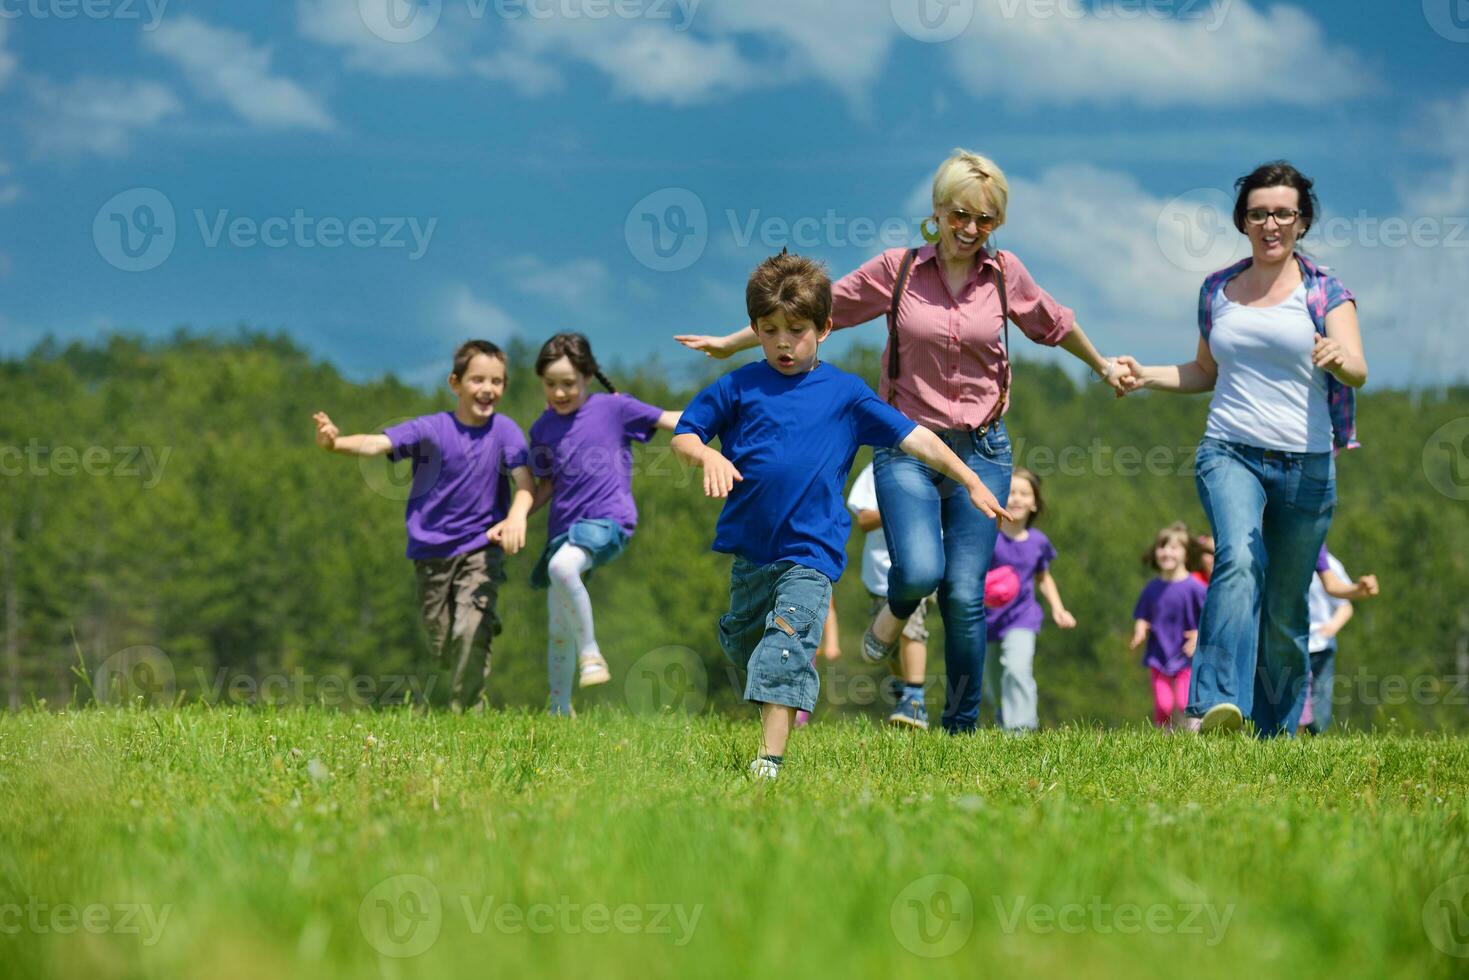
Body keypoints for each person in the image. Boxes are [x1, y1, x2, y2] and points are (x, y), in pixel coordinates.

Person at [677, 149, 1130, 733]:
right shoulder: (899, 270)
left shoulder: (1004, 275)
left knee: (966, 595)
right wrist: (732, 344)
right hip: (907, 446)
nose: (970, 230)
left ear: (998, 223)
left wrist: (1101, 366)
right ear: (937, 212)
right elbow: (813, 308)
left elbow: (1053, 322)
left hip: (983, 449)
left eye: (985, 220)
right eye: (959, 214)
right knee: (918, 572)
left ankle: (960, 727)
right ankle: (894, 612)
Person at [670, 251, 1011, 779]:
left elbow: (917, 436)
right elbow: (685, 434)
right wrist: (708, 454)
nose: (783, 342)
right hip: (751, 555)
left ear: (825, 328)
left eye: (796, 330)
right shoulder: (738, 387)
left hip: (810, 555)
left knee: (783, 647)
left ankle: (769, 762)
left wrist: (969, 479)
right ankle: (759, 668)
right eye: (769, 330)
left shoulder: (846, 394)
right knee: (746, 644)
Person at [1118, 160, 1368, 736]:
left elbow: (1358, 368)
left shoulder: (1326, 292)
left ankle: (1275, 733)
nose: (1271, 223)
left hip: (1306, 465)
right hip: (1230, 452)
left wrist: (1337, 357)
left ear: (1301, 220)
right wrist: (1144, 375)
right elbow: (1204, 370)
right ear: (1243, 222)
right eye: (1259, 213)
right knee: (1237, 558)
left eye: (1283, 212)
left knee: (1284, 607)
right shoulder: (1217, 290)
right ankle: (1211, 708)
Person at [312, 340, 533, 711]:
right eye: (477, 379)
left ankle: (466, 709)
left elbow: (526, 482)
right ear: (455, 383)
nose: (487, 389)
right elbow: (376, 444)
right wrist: (333, 444)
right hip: (431, 554)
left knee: (469, 630)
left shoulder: (506, 431)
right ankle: (475, 630)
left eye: (496, 381)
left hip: (481, 547)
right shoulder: (432, 429)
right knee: (443, 642)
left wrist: (516, 516)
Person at [528, 333, 681, 717]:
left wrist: (726, 420)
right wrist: (515, 516)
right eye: (551, 384)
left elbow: (669, 420)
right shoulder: (542, 429)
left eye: (569, 383)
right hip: (563, 530)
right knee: (558, 622)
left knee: (561, 568)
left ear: (588, 377)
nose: (560, 392)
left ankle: (591, 654)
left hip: (609, 521)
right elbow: (544, 485)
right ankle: (559, 708)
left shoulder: (613, 409)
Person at [984, 467, 1076, 731]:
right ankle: (1005, 717)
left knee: (1017, 668)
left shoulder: (1038, 542)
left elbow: (1044, 578)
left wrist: (1058, 609)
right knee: (994, 681)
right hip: (988, 620)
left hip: (1023, 617)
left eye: (1025, 493)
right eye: (1011, 492)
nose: (1017, 499)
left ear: (1034, 503)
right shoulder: (990, 536)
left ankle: (1022, 728)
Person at [847, 460, 936, 729]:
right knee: (888, 644)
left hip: (920, 566)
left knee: (911, 627)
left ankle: (914, 697)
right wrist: (900, 505)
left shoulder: (934, 467)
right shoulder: (875, 469)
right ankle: (903, 691)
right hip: (880, 573)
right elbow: (864, 519)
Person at [1130, 523, 1208, 730]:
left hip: (1187, 657)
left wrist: (1199, 636)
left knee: (1184, 702)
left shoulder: (1196, 588)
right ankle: (1163, 741)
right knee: (1163, 705)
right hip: (1159, 654)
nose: (1166, 552)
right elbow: (1142, 615)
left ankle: (1193, 736)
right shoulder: (1152, 589)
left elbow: (1209, 619)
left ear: (1186, 553)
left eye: (1174, 548)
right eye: (1162, 547)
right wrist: (1139, 630)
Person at [1300, 545, 1380, 733]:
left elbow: (1345, 606)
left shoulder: (1329, 565)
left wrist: (1332, 627)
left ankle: (1316, 737)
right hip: (1295, 644)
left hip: (1321, 647)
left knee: (1320, 703)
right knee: (1295, 701)